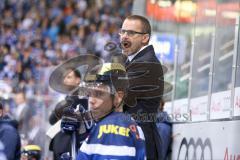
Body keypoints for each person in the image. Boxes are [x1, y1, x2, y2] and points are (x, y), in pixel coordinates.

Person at [77, 63, 146, 160]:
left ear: (119, 97)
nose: (91, 100)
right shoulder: (128, 123)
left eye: (99, 93)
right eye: (89, 94)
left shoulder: (110, 128)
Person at [119, 15, 164, 159]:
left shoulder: (145, 64)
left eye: (131, 33)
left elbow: (116, 98)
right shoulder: (135, 61)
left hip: (139, 144)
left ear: (145, 38)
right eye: (123, 32)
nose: (124, 37)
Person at [49, 68, 88, 160]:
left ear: (78, 80)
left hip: (71, 145)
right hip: (60, 144)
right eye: (64, 78)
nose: (65, 80)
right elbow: (51, 119)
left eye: (69, 77)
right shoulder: (65, 98)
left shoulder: (83, 98)